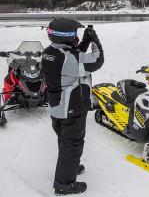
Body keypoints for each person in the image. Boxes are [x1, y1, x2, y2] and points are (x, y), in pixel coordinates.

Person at [42, 17, 104, 195]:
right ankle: (64, 184)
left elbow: (74, 54)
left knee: (65, 142)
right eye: (74, 34)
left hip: (57, 107)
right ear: (66, 36)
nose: (76, 37)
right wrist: (95, 40)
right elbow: (97, 60)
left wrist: (85, 40)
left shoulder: (49, 52)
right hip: (72, 108)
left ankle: (69, 167)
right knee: (73, 144)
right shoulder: (70, 59)